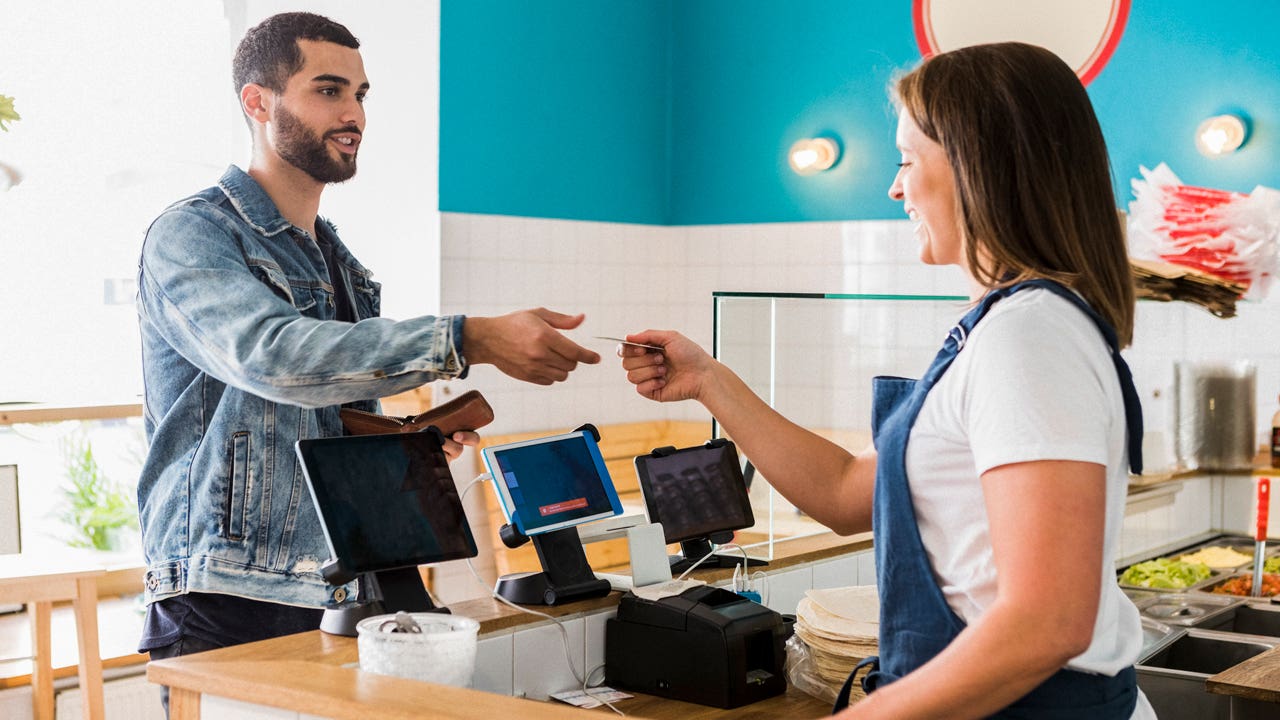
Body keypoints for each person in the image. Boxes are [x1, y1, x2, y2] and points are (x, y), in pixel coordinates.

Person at [618, 42, 1155, 719]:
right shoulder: (1004, 329)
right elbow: (847, 493)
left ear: (975, 168)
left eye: (907, 160)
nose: (896, 188)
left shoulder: (1030, 336)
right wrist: (708, 381)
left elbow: (1049, 622)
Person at [134, 10, 600, 685]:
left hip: (341, 586)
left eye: (361, 94)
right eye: (328, 90)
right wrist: (470, 336)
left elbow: (322, 420)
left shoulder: (341, 265)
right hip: (227, 596)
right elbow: (275, 358)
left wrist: (400, 446)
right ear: (257, 102)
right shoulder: (192, 235)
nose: (352, 112)